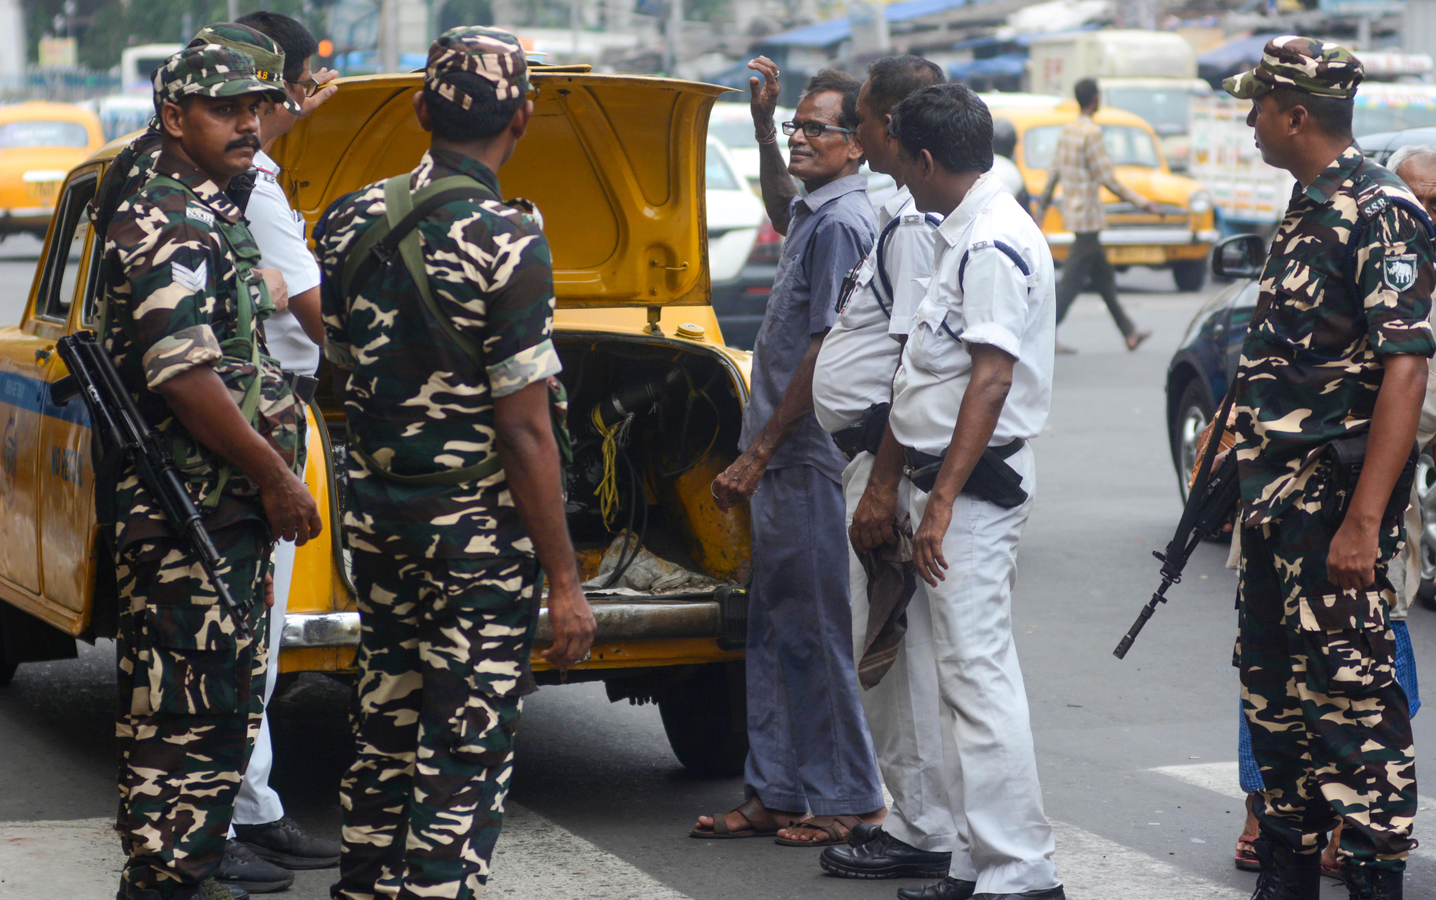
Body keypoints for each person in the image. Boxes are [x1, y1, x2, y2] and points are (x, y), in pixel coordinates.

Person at [315, 26, 595, 899]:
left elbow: (334, 370)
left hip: (377, 518)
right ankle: (438, 886)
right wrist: (565, 580)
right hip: (473, 534)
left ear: (416, 109)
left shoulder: (349, 218)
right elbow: (524, 430)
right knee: (467, 731)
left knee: (386, 710)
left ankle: (363, 882)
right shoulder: (510, 240)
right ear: (525, 116)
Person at [103, 42, 321, 900]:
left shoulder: (214, 207)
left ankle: (185, 867)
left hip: (219, 512)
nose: (247, 124)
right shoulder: (167, 219)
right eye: (226, 109)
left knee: (225, 702)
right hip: (184, 509)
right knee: (180, 713)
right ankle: (165, 877)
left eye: (255, 108)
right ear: (173, 118)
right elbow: (185, 376)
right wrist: (277, 475)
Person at [1220, 36, 1433, 899]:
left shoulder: (1381, 210)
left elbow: (1406, 370)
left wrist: (1361, 521)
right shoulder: (1308, 206)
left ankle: (1376, 878)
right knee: (1276, 706)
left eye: (1259, 106)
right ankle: (1286, 868)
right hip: (1273, 508)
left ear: (1296, 113)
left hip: (1329, 506)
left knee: (1351, 711)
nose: (1249, 120)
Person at [860, 82, 1065, 900]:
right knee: (959, 679)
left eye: (903, 164)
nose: (900, 181)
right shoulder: (967, 228)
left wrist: (940, 500)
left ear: (928, 159)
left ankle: (1020, 871)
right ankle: (981, 861)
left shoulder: (990, 242)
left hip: (972, 490)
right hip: (948, 483)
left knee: (977, 680)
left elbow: (989, 378)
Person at [692, 64, 885, 846]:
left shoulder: (844, 223)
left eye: (818, 129)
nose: (803, 138)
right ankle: (775, 790)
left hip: (801, 456)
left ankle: (846, 798)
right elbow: (779, 200)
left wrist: (759, 451)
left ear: (858, 147)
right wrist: (763, 124)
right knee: (771, 630)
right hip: (776, 457)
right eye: (798, 126)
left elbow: (825, 348)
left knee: (811, 631)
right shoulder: (815, 208)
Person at [201, 11, 344, 891]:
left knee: (237, 642)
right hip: (256, 417)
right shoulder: (251, 189)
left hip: (235, 413)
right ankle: (224, 819)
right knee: (240, 642)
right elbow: (310, 306)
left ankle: (248, 807)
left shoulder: (208, 174)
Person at [805, 55, 955, 881]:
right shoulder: (905, 212)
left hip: (888, 461)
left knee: (899, 657)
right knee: (901, 652)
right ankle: (924, 821)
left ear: (891, 127)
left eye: (860, 119)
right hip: (876, 457)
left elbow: (911, 359)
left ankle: (924, 830)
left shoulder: (917, 224)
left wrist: (888, 484)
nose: (857, 135)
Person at [1036, 77, 1159, 353]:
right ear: (1094, 100)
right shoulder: (1091, 133)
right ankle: (1041, 336)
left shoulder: (1068, 131)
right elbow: (1108, 178)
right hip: (1088, 218)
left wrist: (1041, 208)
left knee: (1104, 278)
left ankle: (1129, 332)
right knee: (1070, 283)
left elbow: (1053, 172)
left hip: (1075, 215)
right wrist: (1144, 204)